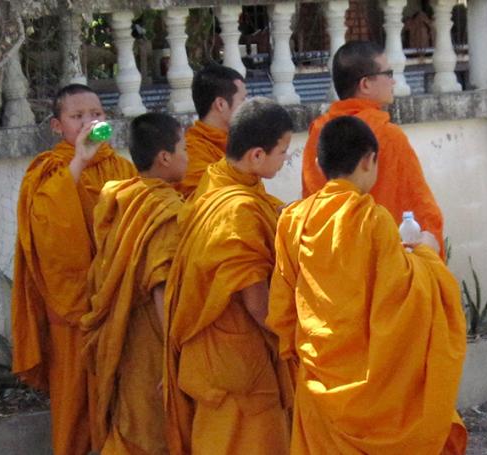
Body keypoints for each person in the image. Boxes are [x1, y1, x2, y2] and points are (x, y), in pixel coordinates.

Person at [267, 115, 467, 453]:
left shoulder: (292, 221)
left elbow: (283, 309)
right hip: (372, 387)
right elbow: (405, 298)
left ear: (318, 164)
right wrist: (427, 256)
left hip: (319, 378)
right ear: (369, 160)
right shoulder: (373, 221)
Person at [10, 84, 137, 455]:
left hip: (117, 304)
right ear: (56, 126)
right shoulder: (46, 173)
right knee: (75, 408)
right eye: (77, 116)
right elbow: (50, 240)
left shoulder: (121, 166)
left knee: (122, 405)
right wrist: (78, 162)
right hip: (71, 312)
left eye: (96, 113)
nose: (89, 121)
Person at [163, 98, 293, 455]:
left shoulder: (215, 179)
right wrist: (302, 334)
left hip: (211, 351)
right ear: (256, 155)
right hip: (239, 358)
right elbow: (257, 306)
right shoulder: (238, 210)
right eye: (282, 152)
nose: (285, 161)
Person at [80, 113, 186, 454]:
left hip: (124, 332)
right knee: (152, 432)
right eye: (184, 148)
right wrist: (174, 361)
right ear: (165, 157)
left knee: (129, 422)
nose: (189, 156)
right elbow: (161, 288)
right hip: (154, 340)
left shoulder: (119, 198)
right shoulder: (163, 210)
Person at [300, 41, 444, 250]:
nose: (393, 81)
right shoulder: (387, 135)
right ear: (365, 84)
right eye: (388, 73)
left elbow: (312, 206)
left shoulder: (320, 132)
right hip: (384, 257)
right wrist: (431, 244)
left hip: (334, 257)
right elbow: (419, 206)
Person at [178, 64, 247, 197]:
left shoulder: (239, 143)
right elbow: (212, 202)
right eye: (242, 100)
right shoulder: (192, 151)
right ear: (221, 104)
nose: (248, 106)